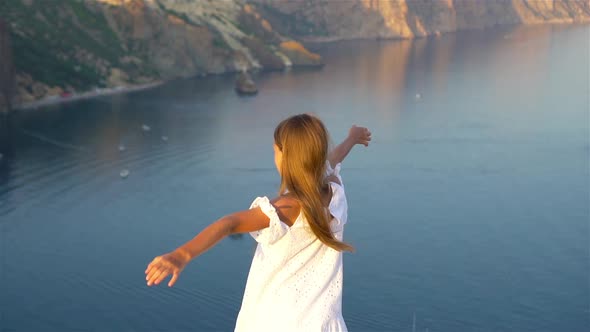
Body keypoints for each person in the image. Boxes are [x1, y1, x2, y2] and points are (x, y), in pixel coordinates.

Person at [144, 114, 371, 331]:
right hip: (321, 322)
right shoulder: (335, 192)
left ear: (285, 157)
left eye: (275, 151)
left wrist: (181, 255)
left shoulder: (285, 209)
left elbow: (230, 223)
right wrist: (352, 138)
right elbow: (333, 160)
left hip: (275, 322)